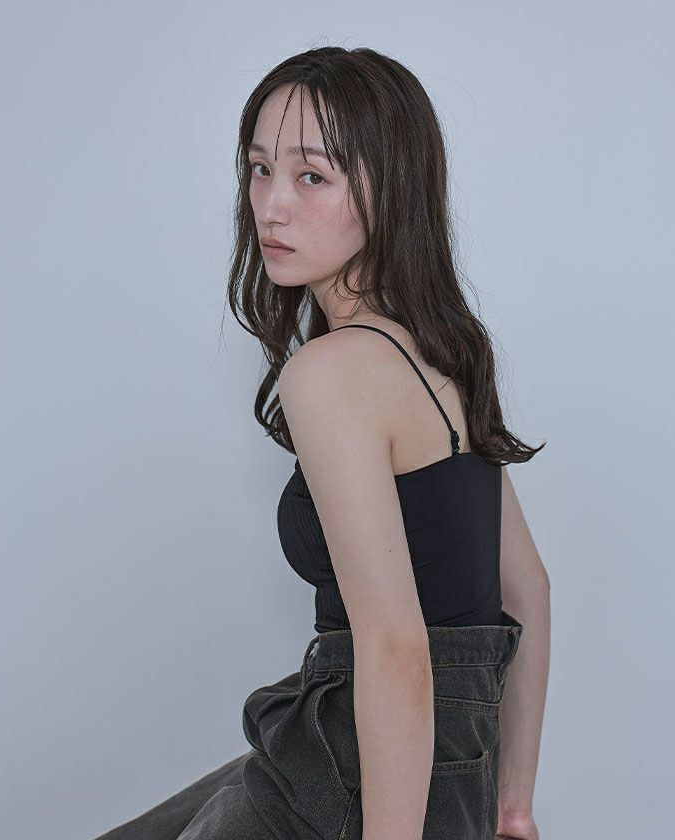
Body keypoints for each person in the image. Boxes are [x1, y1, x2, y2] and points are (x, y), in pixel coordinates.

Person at [92, 46, 549, 840]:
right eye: (259, 169)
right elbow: (526, 591)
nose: (270, 207)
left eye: (312, 176)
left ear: (391, 188)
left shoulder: (332, 371)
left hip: (366, 770)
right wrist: (509, 807)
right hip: (443, 771)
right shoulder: (446, 351)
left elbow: (397, 646)